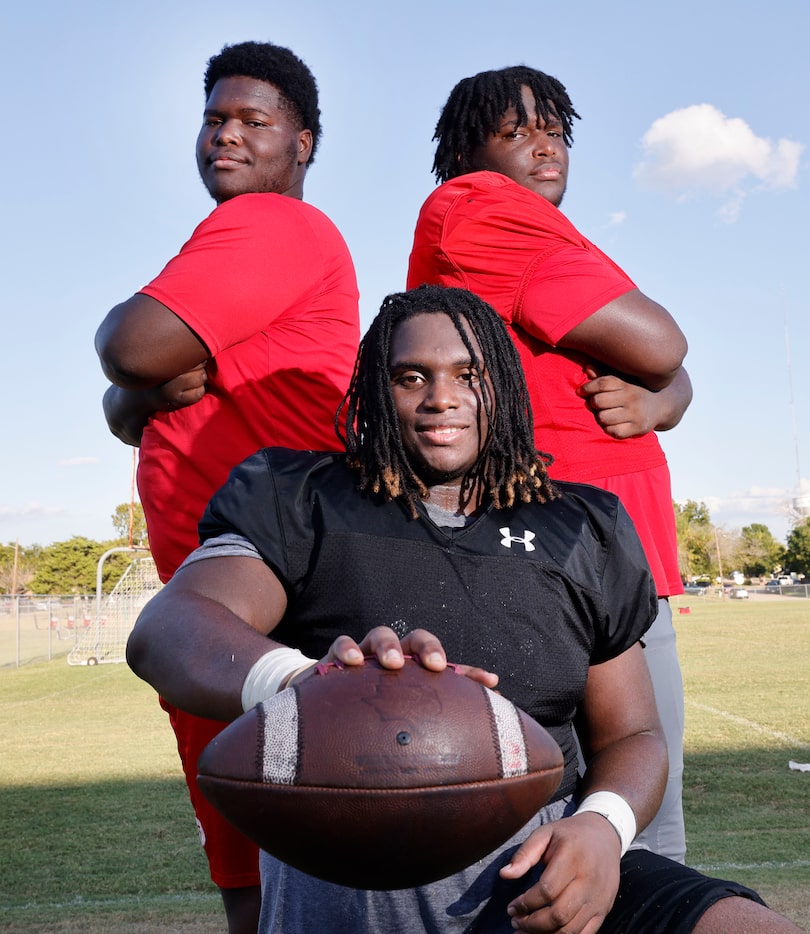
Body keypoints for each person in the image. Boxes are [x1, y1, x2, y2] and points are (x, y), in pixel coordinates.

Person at [126, 285, 800, 934]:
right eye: (410, 376)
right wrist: (309, 687)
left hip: (543, 864)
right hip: (354, 877)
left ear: (502, 385)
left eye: (467, 374)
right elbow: (169, 629)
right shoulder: (300, 496)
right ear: (374, 391)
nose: (440, 398)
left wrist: (603, 828)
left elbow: (634, 735)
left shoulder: (582, 525)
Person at [94, 41, 360, 933]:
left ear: (304, 143)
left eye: (256, 120)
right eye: (215, 118)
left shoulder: (272, 225)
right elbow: (132, 402)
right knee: (248, 854)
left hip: (260, 592)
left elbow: (131, 348)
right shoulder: (235, 241)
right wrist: (133, 389)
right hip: (226, 592)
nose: (227, 136)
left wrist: (130, 374)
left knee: (281, 859)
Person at [407, 65, 691, 862]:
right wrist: (661, 381)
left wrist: (660, 402)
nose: (546, 145)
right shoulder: (480, 206)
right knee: (624, 820)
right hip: (563, 556)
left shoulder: (534, 230)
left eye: (556, 130)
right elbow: (662, 342)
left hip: (602, 553)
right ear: (470, 149)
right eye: (517, 130)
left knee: (616, 816)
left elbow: (666, 372)